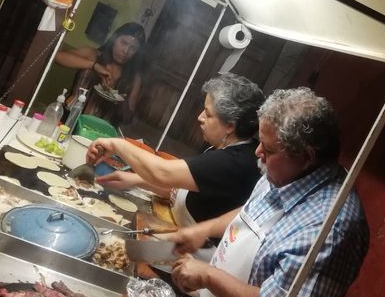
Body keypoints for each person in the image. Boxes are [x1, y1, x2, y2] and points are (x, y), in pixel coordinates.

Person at [169, 87, 369, 297]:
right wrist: (203, 229)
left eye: (268, 148)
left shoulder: (330, 229)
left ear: (306, 157)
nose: (257, 153)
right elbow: (254, 210)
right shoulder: (285, 172)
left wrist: (207, 275)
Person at [86, 73, 265, 225]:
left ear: (230, 126)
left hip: (198, 255)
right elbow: (182, 189)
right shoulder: (226, 149)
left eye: (208, 114)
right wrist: (134, 179)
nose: (200, 117)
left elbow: (162, 173)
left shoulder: (235, 161)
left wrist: (117, 144)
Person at [54, 22, 146, 127]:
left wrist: (122, 103)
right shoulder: (92, 55)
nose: (126, 51)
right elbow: (57, 57)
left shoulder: (133, 77)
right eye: (123, 43)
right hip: (68, 117)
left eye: (133, 48)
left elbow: (128, 116)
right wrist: (93, 66)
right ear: (114, 38)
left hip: (97, 129)